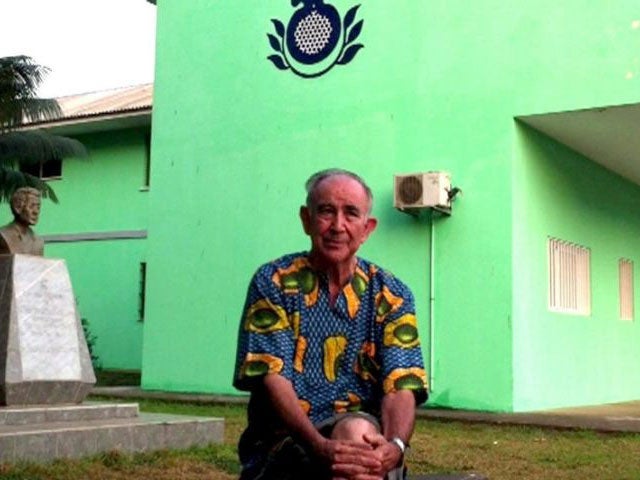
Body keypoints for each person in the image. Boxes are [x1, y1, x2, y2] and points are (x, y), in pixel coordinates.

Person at [233, 169, 428, 480]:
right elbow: (272, 377)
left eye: (351, 213)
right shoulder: (274, 282)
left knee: (359, 436)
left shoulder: (392, 294)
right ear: (306, 219)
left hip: (365, 443)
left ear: (367, 228)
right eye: (326, 211)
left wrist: (396, 446)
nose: (338, 226)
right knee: (356, 441)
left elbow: (401, 384)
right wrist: (319, 446)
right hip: (287, 445)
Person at [0, 187, 44, 256]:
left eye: (38, 207)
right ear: (17, 208)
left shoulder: (38, 241)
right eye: (32, 206)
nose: (36, 212)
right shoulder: (3, 235)